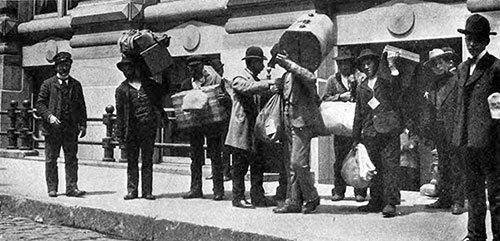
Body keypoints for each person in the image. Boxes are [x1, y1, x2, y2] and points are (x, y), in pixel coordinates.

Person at [453, 14, 500, 241]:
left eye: (477, 39)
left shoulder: (495, 67)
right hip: (467, 142)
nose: (471, 44)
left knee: (497, 195)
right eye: (468, 38)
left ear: (486, 42)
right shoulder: (462, 69)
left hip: (491, 143)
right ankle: (475, 236)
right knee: (473, 194)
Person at [225, 46, 279, 208]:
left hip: (254, 131)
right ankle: (238, 197)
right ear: (252, 62)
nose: (262, 66)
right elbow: (246, 88)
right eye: (260, 63)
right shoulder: (239, 78)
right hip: (241, 131)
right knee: (240, 167)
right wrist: (269, 83)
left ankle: (258, 197)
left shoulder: (255, 79)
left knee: (257, 165)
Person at [272, 49, 324, 214]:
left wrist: (289, 63)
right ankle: (293, 201)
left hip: (301, 123)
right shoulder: (288, 75)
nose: (279, 63)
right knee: (291, 165)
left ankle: (312, 196)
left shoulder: (301, 70)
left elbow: (311, 78)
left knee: (298, 162)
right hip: (288, 121)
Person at [352, 48, 403, 217]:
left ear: (376, 63)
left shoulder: (386, 80)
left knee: (390, 167)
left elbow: (397, 91)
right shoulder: (362, 87)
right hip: (370, 133)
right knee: (374, 168)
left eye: (370, 62)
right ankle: (375, 201)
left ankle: (390, 203)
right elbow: (358, 113)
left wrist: (393, 67)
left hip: (388, 131)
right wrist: (356, 137)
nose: (367, 66)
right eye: (364, 64)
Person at [115, 55, 167, 200]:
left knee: (147, 160)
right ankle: (132, 190)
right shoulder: (121, 89)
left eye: (129, 68)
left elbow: (165, 90)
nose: (127, 72)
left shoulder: (149, 85)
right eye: (124, 69)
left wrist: (162, 66)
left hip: (148, 128)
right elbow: (120, 115)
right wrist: (120, 136)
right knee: (131, 161)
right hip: (131, 130)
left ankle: (147, 191)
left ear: (136, 68)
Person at [36, 52, 87, 198]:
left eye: (67, 65)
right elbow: (40, 104)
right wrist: (49, 116)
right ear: (56, 67)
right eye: (61, 65)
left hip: (70, 129)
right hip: (52, 129)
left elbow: (81, 106)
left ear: (70, 66)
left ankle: (72, 188)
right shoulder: (48, 84)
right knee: (51, 159)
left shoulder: (76, 85)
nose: (64, 68)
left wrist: (83, 124)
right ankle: (52, 188)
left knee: (71, 159)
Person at [421, 47, 465, 215]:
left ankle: (458, 201)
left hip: (454, 130)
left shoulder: (457, 80)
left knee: (456, 166)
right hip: (439, 131)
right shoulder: (433, 85)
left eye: (440, 62)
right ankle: (445, 198)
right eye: (434, 64)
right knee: (443, 165)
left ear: (448, 62)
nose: (437, 66)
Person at [322, 49, 368, 202]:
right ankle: (339, 190)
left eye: (345, 62)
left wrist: (355, 88)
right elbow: (325, 99)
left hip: (357, 124)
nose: (342, 66)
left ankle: (360, 190)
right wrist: (340, 97)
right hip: (341, 125)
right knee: (340, 159)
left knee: (359, 156)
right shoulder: (332, 80)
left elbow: (368, 95)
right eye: (340, 63)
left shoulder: (361, 77)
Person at [180, 55, 226, 201]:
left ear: (202, 66)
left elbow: (225, 97)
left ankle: (218, 190)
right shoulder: (186, 84)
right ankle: (195, 189)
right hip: (194, 126)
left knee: (215, 157)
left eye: (197, 66)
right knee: (195, 157)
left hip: (212, 123)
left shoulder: (214, 80)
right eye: (191, 67)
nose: (194, 69)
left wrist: (223, 99)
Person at [205, 58, 232, 182]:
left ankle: (226, 171)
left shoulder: (224, 82)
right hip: (213, 119)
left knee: (224, 147)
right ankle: (214, 171)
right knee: (213, 148)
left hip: (224, 118)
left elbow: (230, 100)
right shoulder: (209, 82)